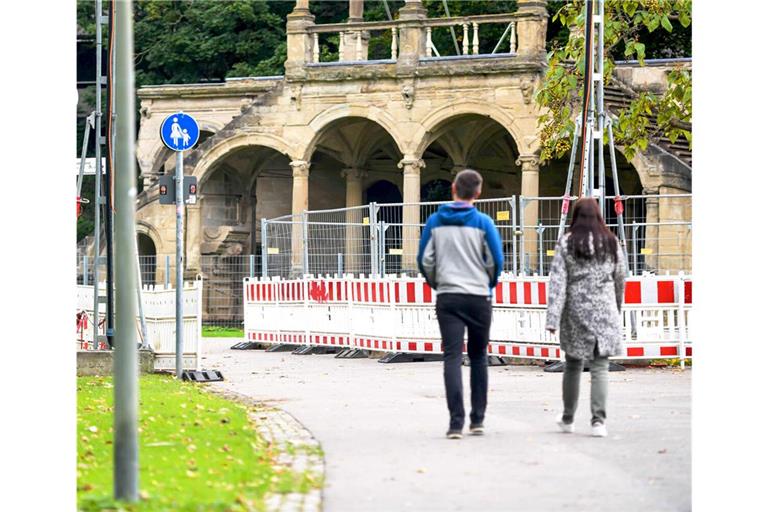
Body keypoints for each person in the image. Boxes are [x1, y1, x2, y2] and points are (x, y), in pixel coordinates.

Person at [417, 169, 504, 440]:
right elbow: (496, 260)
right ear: (478, 192)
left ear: (453, 187)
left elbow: (424, 259)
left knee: (452, 356)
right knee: (478, 356)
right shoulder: (483, 222)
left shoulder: (434, 221)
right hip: (478, 296)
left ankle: (456, 423)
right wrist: (487, 285)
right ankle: (477, 420)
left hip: (448, 296)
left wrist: (437, 283)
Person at [545, 197, 626, 438]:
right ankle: (598, 421)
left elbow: (558, 282)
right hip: (605, 309)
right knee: (600, 367)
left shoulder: (567, 242)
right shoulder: (611, 241)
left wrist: (552, 318)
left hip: (575, 311)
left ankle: (568, 418)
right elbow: (621, 277)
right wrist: (616, 306)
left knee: (573, 365)